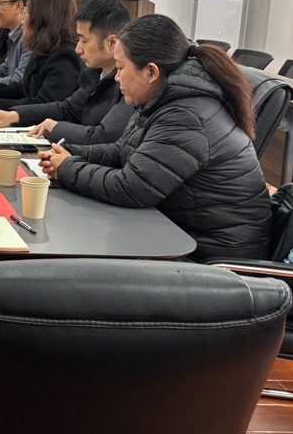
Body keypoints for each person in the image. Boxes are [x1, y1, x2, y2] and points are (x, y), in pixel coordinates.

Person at [38, 14, 271, 261]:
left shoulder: (188, 114)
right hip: (181, 236)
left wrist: (68, 167)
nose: (116, 77)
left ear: (151, 71)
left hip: (213, 259)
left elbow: (132, 187)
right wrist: (72, 153)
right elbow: (122, 151)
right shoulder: (164, 99)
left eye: (120, 68)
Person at [0, 0, 134, 144]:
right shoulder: (96, 73)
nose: (78, 49)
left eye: (84, 40)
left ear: (112, 43)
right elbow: (66, 109)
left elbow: (104, 136)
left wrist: (56, 128)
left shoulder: (129, 83)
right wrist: (15, 115)